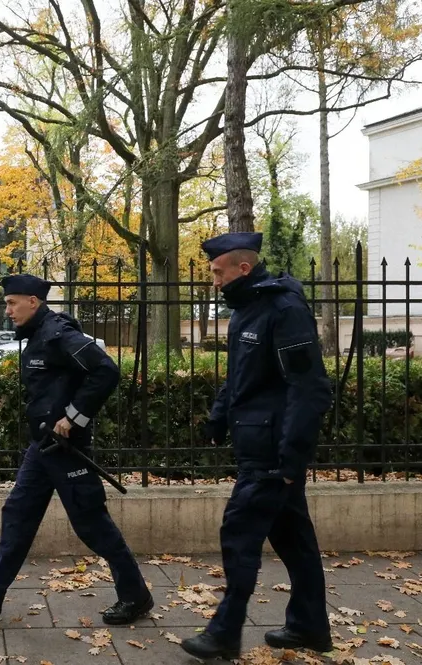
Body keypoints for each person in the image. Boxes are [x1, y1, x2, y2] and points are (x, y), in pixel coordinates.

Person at [0, 274, 154, 625]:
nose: (8, 310)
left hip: (66, 448)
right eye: (7, 303)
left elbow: (105, 370)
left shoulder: (58, 335)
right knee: (18, 514)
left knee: (92, 525)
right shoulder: (38, 335)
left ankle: (136, 596)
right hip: (43, 445)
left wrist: (74, 417)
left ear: (33, 301)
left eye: (13, 303)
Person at [181, 233, 333, 660]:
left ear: (242, 269)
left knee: (239, 532)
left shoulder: (284, 310)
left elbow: (310, 388)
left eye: (217, 272)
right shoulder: (249, 310)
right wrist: (217, 416)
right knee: (294, 540)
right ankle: (309, 627)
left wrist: (291, 458)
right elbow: (241, 376)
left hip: (272, 453)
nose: (213, 281)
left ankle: (225, 632)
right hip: (258, 443)